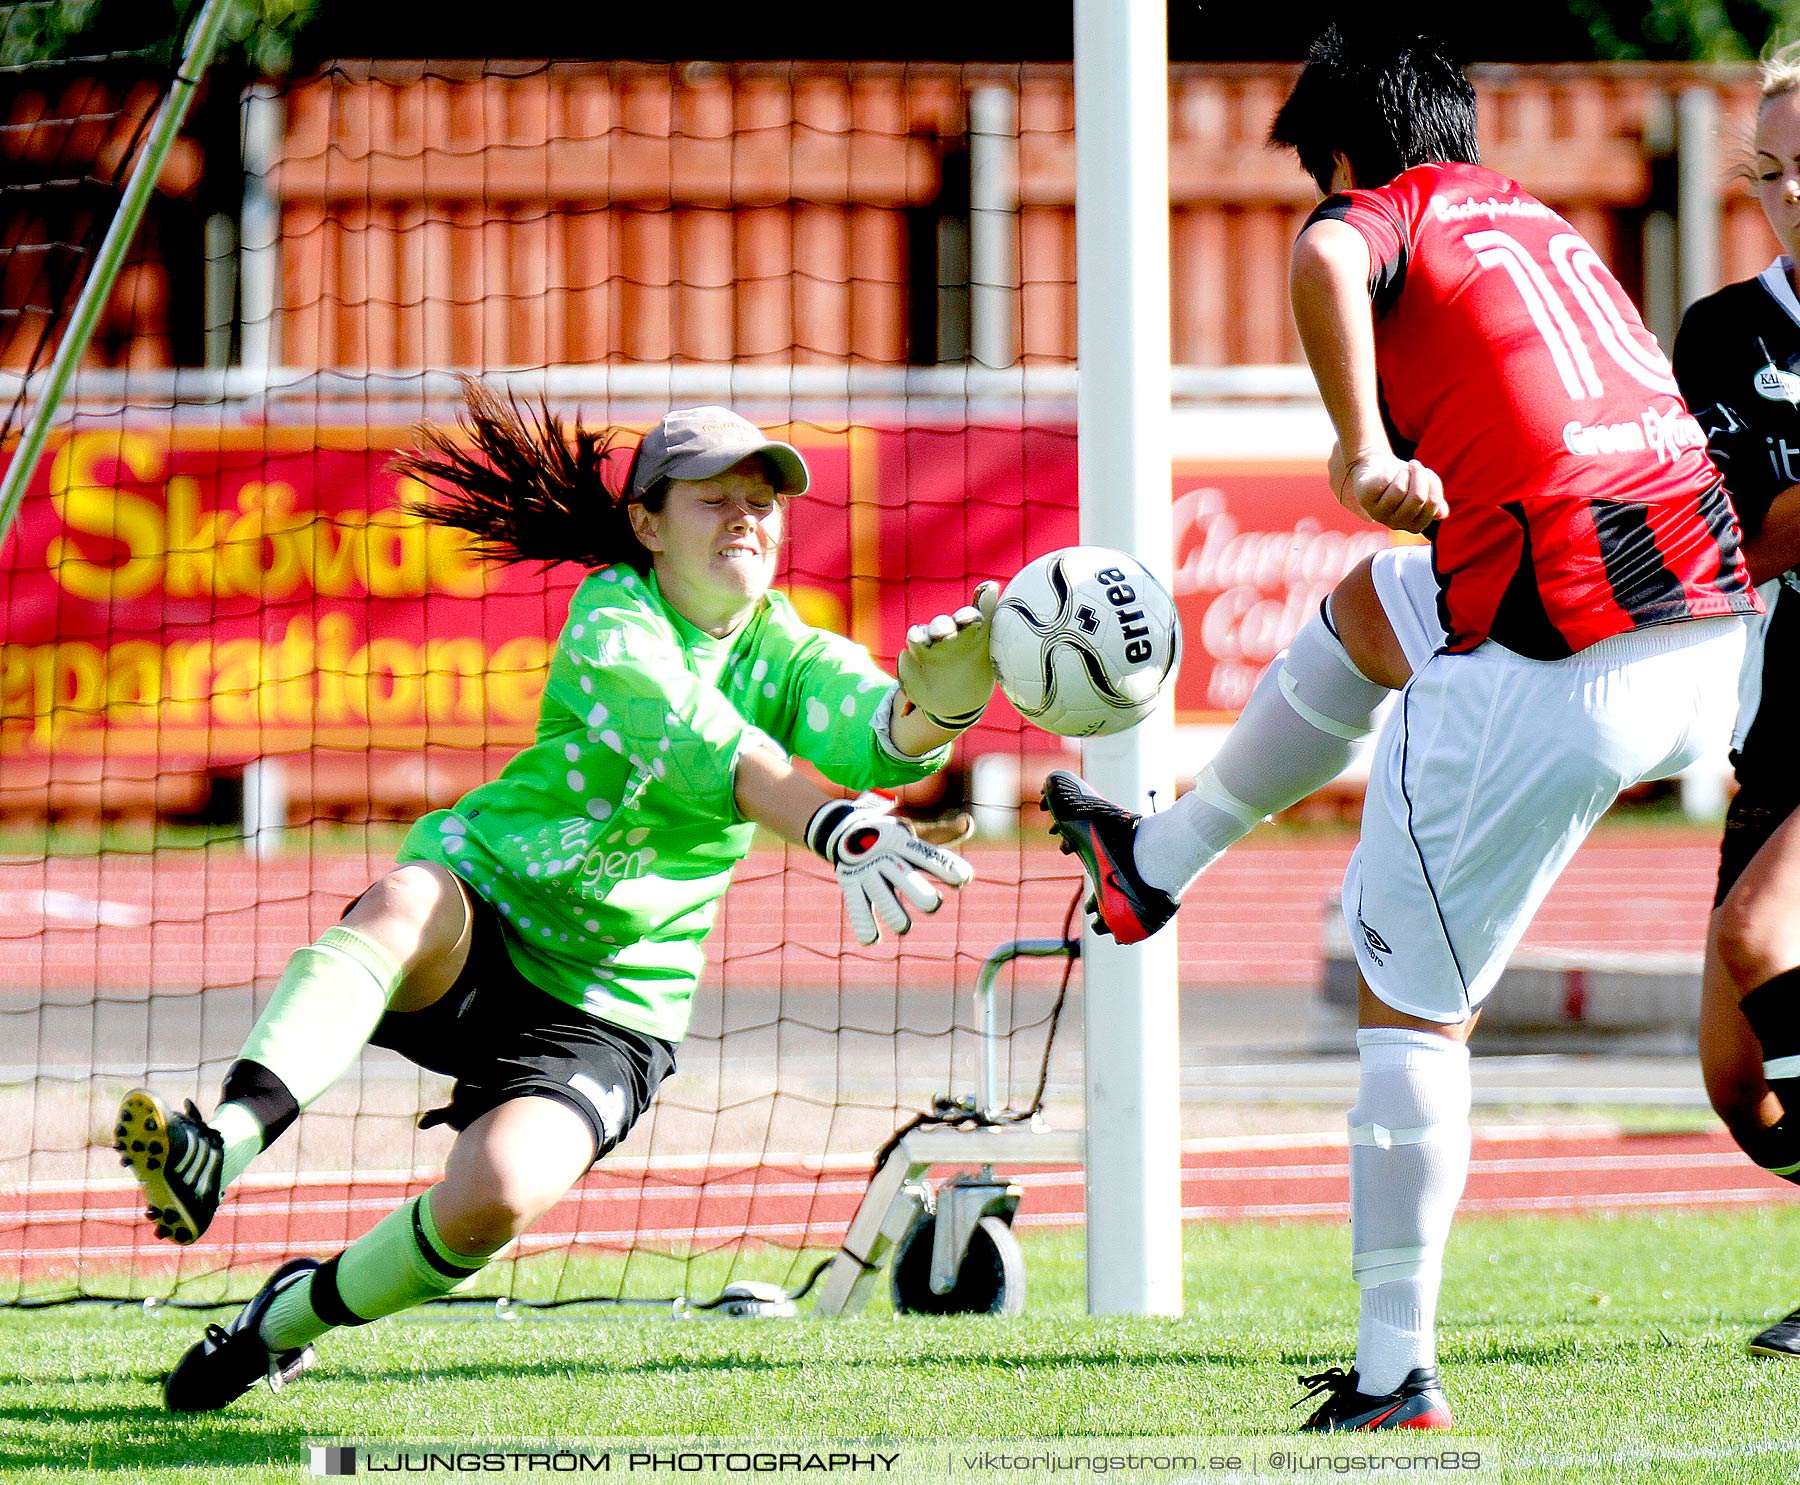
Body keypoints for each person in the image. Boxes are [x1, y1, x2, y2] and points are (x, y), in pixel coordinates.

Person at [1042, 23, 1759, 1431]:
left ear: (1353, 156)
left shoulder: (1379, 211)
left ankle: (1392, 1372)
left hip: (1567, 651)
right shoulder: (1533, 218)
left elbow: (1323, 255)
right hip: (1707, 626)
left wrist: (1362, 449)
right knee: (1383, 602)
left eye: (1328, 171)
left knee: (1412, 1008)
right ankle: (1162, 859)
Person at [113, 385, 999, 1412]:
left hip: (613, 1004)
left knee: (495, 1200)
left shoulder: (788, 651)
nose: (746, 516)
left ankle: (282, 1322)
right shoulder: (612, 614)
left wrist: (941, 700)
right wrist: (839, 823)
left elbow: (870, 728)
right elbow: (714, 749)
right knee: (402, 897)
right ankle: (222, 1143)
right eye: (714, 496)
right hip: (486, 912)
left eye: (763, 499)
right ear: (647, 524)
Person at [1671, 41, 1800, 1361]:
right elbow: (1749, 533)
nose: (1796, 193)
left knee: (1769, 939)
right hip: (1781, 726)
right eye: (1773, 171)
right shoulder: (1724, 333)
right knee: (1736, 1085)